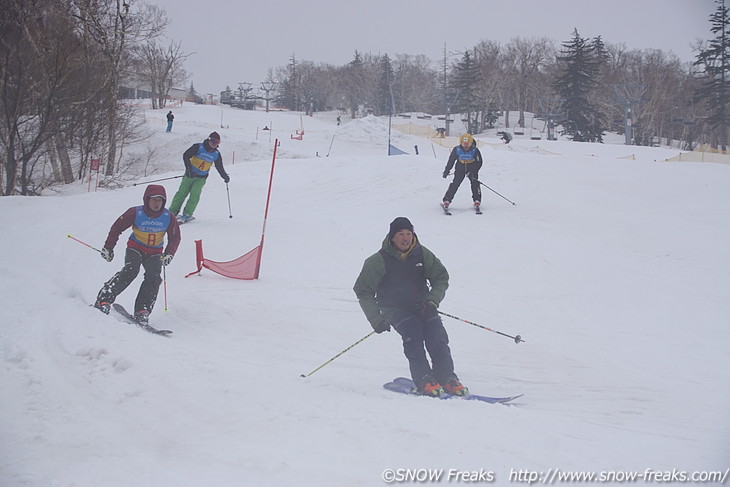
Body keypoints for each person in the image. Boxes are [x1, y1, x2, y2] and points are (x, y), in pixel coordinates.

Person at [353, 217, 467, 397]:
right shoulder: (377, 261)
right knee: (413, 333)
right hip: (395, 309)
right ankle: (424, 380)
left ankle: (447, 377)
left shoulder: (422, 254)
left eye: (409, 234)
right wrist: (377, 319)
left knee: (437, 335)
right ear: (392, 238)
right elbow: (363, 290)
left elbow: (440, 278)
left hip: (423, 306)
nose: (406, 238)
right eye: (400, 234)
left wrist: (432, 301)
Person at [93, 184, 181, 324]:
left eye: (160, 200)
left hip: (155, 252)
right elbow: (117, 228)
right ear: (147, 200)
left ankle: (142, 310)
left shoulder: (168, 217)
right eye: (153, 200)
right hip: (135, 248)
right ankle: (104, 300)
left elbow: (175, 237)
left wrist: (169, 253)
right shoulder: (136, 212)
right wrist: (108, 247)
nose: (156, 203)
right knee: (131, 270)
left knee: (153, 277)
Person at [169, 131, 230, 223]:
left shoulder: (216, 154)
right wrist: (188, 169)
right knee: (181, 193)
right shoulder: (198, 147)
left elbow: (219, 166)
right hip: (190, 175)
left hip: (201, 178)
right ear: (209, 140)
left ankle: (187, 214)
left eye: (217, 143)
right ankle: (172, 212)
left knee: (195, 195)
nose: (214, 144)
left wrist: (224, 176)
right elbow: (186, 155)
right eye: (213, 141)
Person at [441, 133, 483, 210]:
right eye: (464, 144)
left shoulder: (475, 150)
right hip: (460, 167)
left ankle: (477, 200)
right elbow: (451, 161)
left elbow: (479, 162)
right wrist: (446, 171)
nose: (466, 146)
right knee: (455, 184)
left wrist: (474, 170)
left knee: (475, 183)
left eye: (468, 144)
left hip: (472, 168)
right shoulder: (457, 149)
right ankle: (447, 200)